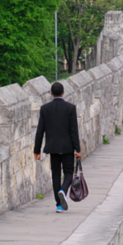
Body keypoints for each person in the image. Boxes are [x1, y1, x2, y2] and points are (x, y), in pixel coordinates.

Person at [34, 82, 82, 213]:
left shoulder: (45, 109)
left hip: (53, 148)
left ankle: (59, 204)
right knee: (68, 173)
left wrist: (36, 150)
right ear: (63, 92)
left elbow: (40, 131)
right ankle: (63, 191)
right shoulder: (70, 108)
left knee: (56, 174)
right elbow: (73, 131)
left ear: (51, 93)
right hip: (67, 147)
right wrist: (78, 149)